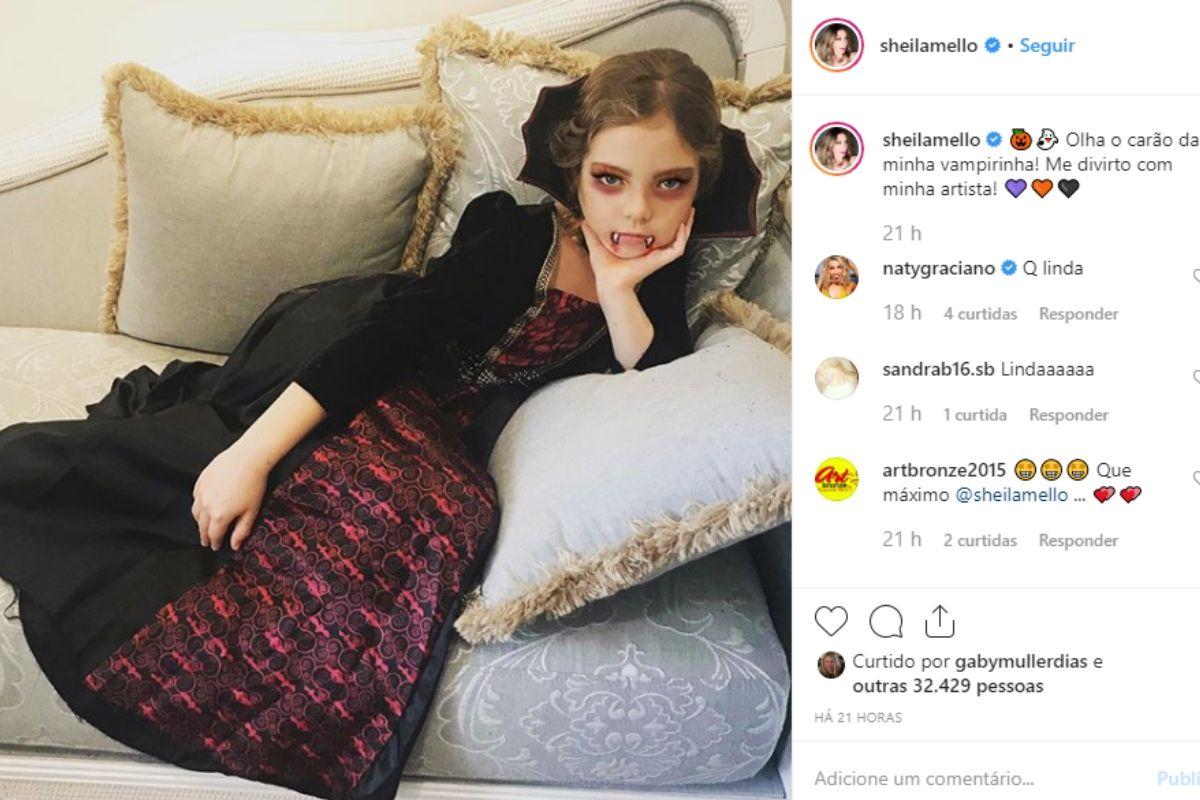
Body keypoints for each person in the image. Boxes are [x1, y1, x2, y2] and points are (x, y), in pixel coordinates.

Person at [0, 47, 762, 800]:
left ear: (699, 182)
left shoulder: (657, 272)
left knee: (448, 515)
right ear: (576, 169)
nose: (637, 211)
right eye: (610, 179)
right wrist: (250, 456)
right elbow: (384, 343)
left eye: (670, 184)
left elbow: (649, 372)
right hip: (372, 365)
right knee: (269, 474)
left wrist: (622, 287)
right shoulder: (522, 237)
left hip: (451, 432)